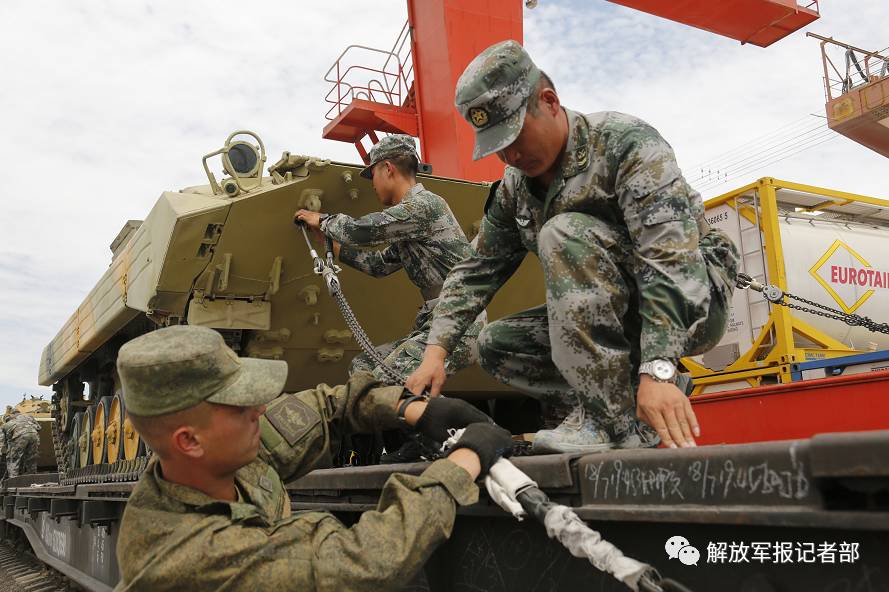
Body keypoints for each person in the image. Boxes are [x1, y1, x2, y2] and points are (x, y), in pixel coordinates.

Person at [406, 40, 739, 453]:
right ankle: (608, 414)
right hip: (620, 316)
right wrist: (435, 351)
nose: (510, 154)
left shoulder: (627, 145)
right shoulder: (516, 189)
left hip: (693, 302)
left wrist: (659, 371)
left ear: (549, 101)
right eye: (497, 147)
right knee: (496, 344)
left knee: (563, 232)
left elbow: (670, 261)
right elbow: (477, 270)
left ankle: (609, 418)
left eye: (514, 135)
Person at [115, 325, 512, 591]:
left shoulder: (210, 465)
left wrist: (410, 408)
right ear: (189, 441)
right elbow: (365, 561)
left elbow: (323, 408)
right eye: (240, 406)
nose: (261, 410)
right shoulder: (192, 556)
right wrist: (463, 461)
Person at [295, 134, 486, 462]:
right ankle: (409, 444)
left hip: (458, 320)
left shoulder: (423, 206)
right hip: (436, 320)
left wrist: (321, 220)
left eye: (373, 175)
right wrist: (328, 242)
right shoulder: (410, 222)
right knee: (364, 368)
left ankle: (438, 444)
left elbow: (361, 230)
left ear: (388, 169)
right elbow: (378, 265)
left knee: (386, 380)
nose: (372, 185)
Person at [2, 410, 41, 477]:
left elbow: (5, 441)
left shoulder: (7, 424)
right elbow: (39, 428)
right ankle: (32, 478)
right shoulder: (29, 417)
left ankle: (13, 479)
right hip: (34, 436)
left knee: (13, 459)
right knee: (31, 459)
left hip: (20, 437)